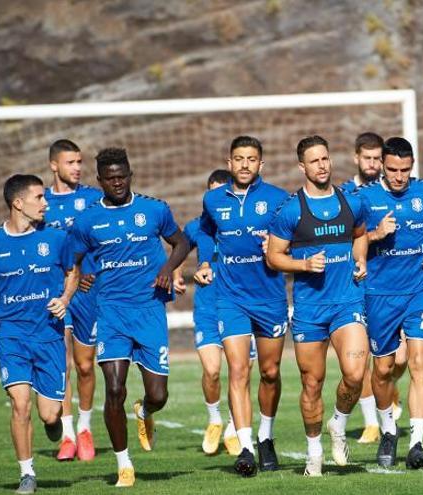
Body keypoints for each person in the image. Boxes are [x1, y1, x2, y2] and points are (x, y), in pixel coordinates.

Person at [70, 148, 190, 487]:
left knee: (159, 394)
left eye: (122, 175)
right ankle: (124, 465)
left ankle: (145, 411)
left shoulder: (154, 209)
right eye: (110, 178)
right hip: (111, 313)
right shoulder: (88, 220)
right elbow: (70, 259)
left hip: (150, 310)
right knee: (113, 389)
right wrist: (78, 277)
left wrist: (168, 268)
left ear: (130, 174)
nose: (117, 182)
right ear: (100, 181)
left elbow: (181, 243)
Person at [267, 136, 370, 476]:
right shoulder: (291, 210)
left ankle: (339, 424)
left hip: (347, 302)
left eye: (325, 158)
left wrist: (361, 258)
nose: (322, 165)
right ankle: (314, 453)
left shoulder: (352, 202)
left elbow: (360, 233)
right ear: (303, 167)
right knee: (312, 383)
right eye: (314, 161)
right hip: (310, 311)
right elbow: (274, 256)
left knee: (355, 374)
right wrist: (303, 266)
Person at [0, 174, 76, 493]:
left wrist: (65, 298)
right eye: (40, 197)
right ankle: (27, 474)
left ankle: (54, 423)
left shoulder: (57, 238)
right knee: (20, 403)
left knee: (48, 413)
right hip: (10, 334)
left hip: (49, 335)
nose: (46, 203)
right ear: (19, 203)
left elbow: (73, 272)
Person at [196, 136, 290, 476]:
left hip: (269, 297)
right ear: (230, 161)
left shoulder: (279, 199)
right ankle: (246, 446)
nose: (245, 164)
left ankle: (266, 436)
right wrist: (206, 261)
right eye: (239, 159)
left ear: (261, 164)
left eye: (252, 159)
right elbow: (204, 232)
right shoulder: (212, 199)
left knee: (270, 372)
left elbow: (296, 237)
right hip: (230, 297)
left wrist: (281, 247)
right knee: (238, 370)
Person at [357, 137, 423, 469]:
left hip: (419, 288)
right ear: (381, 166)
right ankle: (389, 431)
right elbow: (350, 239)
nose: (399, 177)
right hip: (379, 294)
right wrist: (376, 235)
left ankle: (418, 442)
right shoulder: (365, 198)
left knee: (419, 360)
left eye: (405, 170)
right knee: (382, 369)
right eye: (393, 170)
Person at [176, 169, 255, 456]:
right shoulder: (198, 227)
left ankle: (236, 427)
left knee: (241, 372)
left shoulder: (248, 223)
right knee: (211, 371)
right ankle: (214, 419)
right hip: (209, 308)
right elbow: (178, 249)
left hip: (242, 307)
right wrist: (175, 274)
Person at [339, 132, 407, 442]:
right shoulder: (346, 195)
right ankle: (371, 422)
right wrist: (376, 235)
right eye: (367, 158)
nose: (373, 164)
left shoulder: (396, 190)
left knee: (399, 359)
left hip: (396, 287)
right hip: (359, 288)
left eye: (377, 158)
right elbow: (341, 240)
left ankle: (389, 392)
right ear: (356, 158)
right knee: (362, 356)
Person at [42, 139, 104, 462]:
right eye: (70, 162)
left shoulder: (94, 199)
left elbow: (106, 237)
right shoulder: (40, 201)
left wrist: (95, 271)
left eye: (80, 162)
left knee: (84, 365)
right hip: (55, 295)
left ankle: (85, 428)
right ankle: (67, 435)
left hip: (87, 293)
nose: (78, 168)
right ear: (54, 165)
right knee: (62, 364)